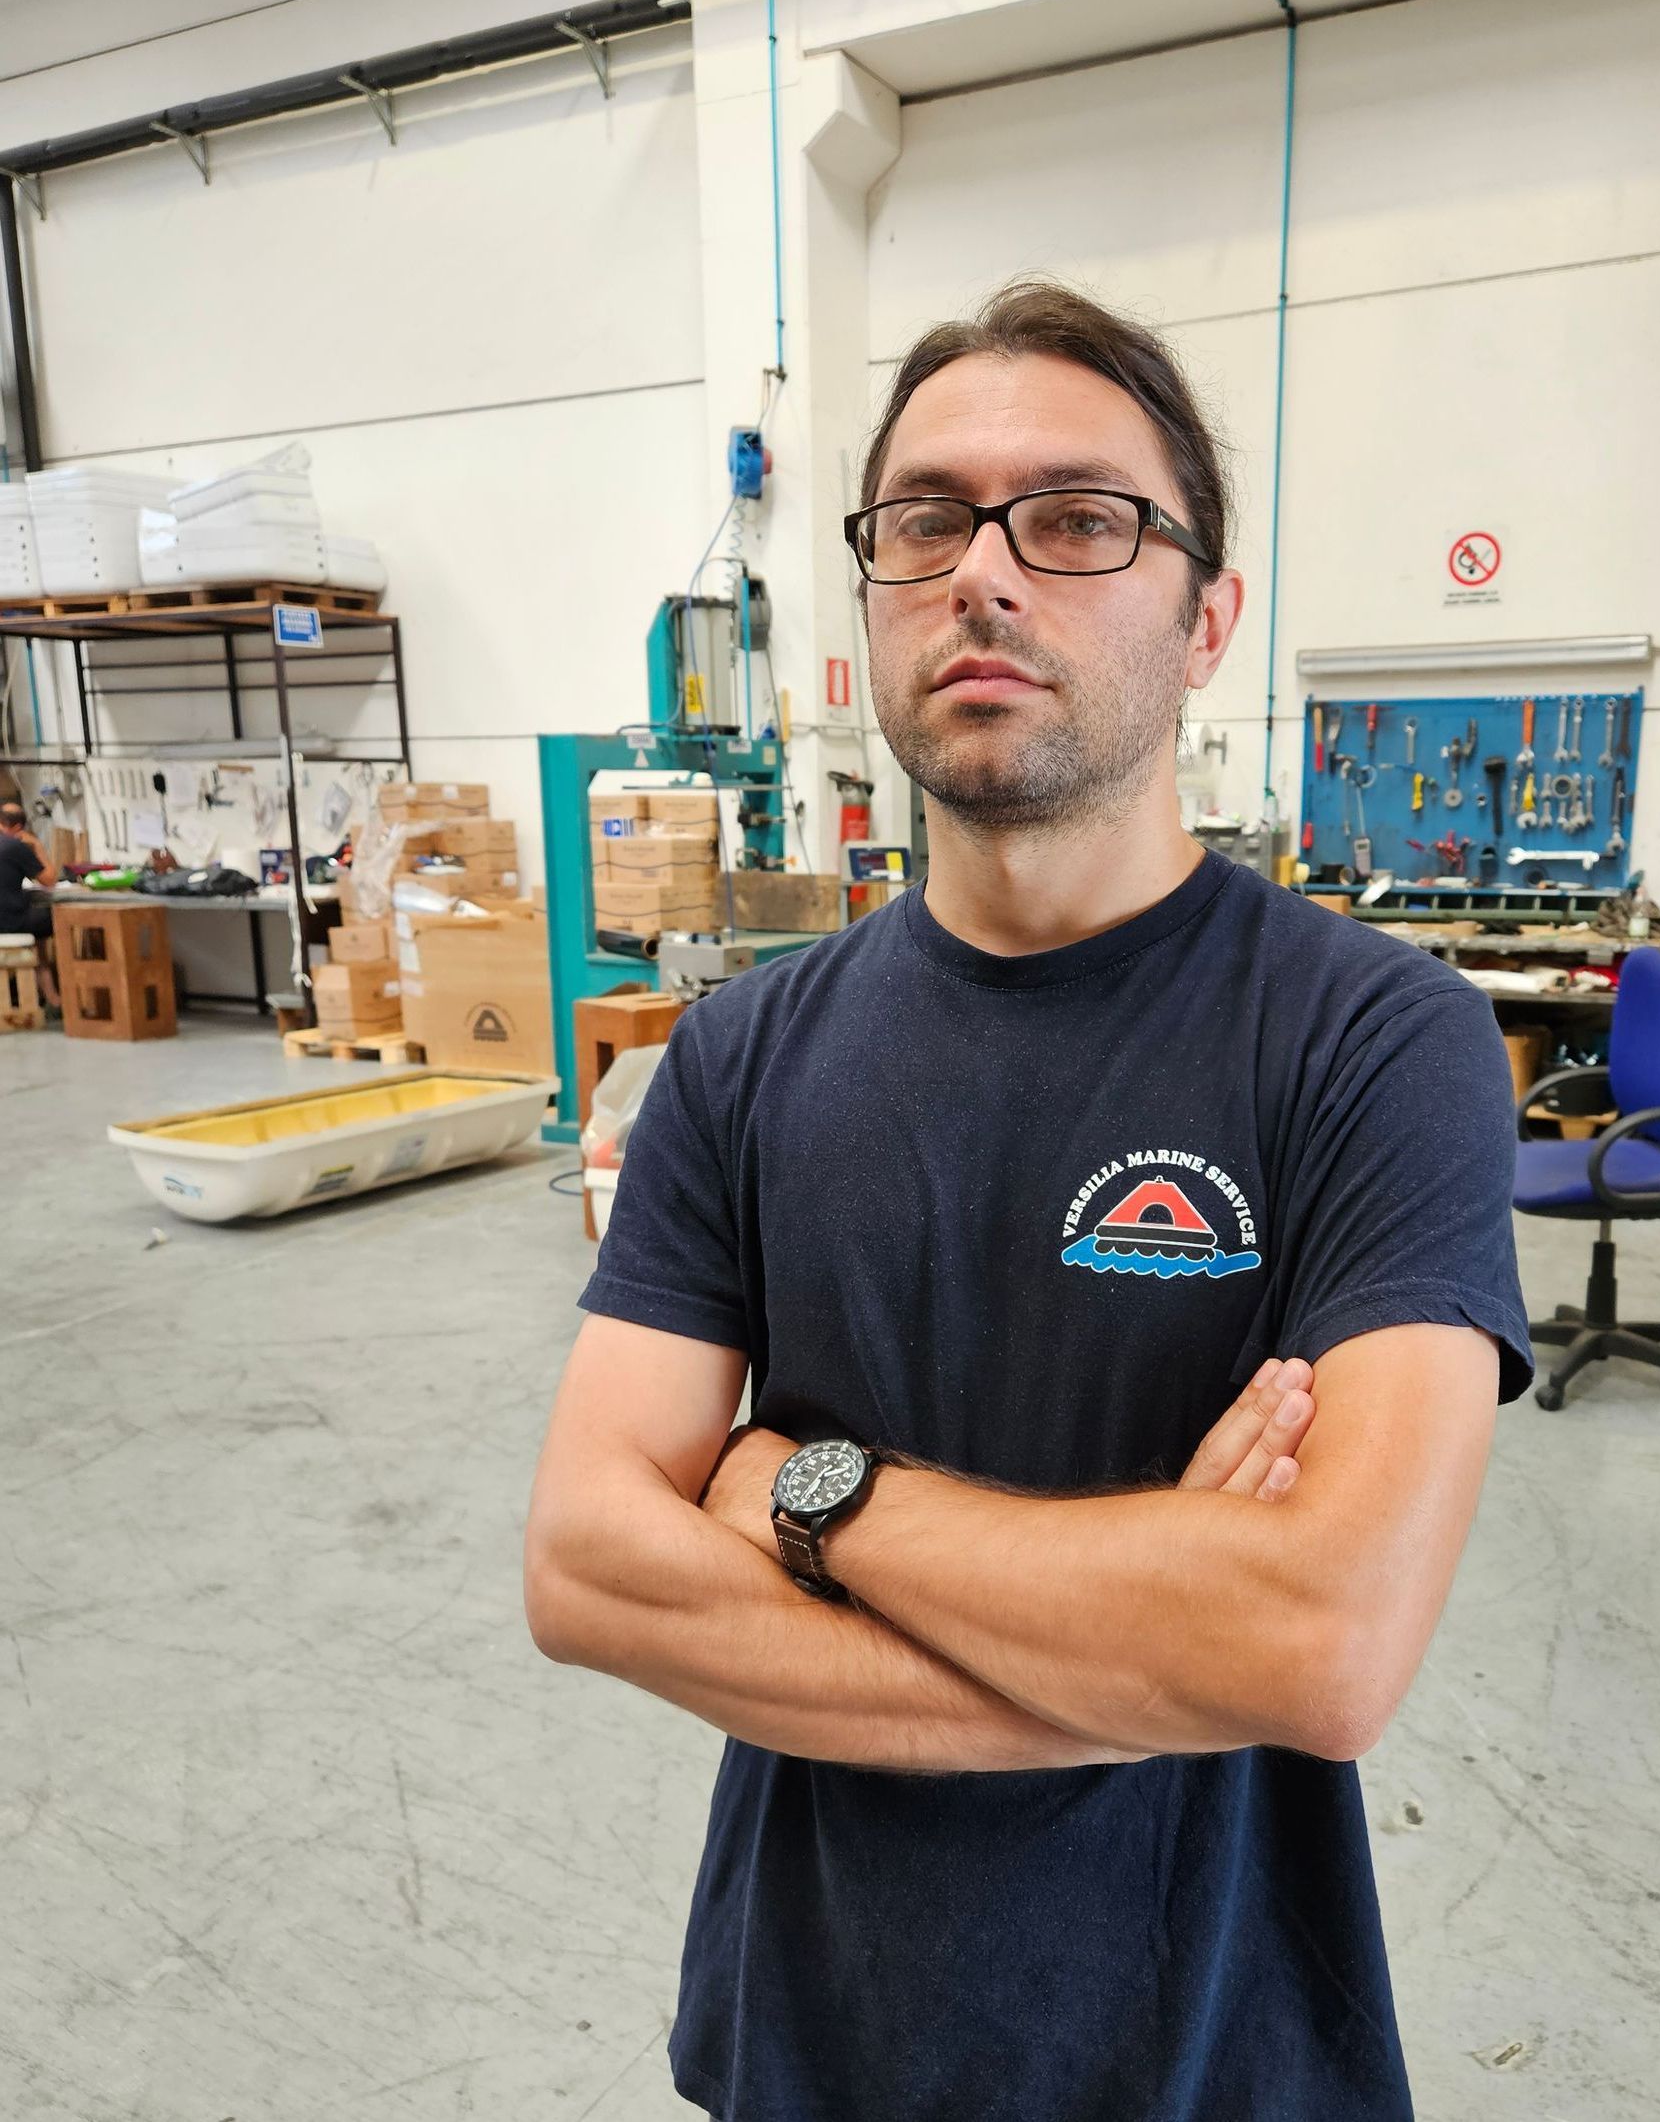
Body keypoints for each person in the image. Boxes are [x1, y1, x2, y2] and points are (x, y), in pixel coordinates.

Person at [525, 279, 1533, 2122]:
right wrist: (1144, 1664)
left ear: (1205, 618)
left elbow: (1318, 1640)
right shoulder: (740, 1054)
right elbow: (586, 1563)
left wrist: (808, 1491)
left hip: (1210, 2054)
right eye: (925, 520)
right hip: (807, 2039)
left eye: (1074, 520)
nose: (982, 572)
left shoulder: (1374, 1037)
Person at [0, 800, 59, 1010]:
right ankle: (51, 993)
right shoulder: (14, 845)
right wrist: (37, 845)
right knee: (49, 919)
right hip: (8, 921)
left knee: (35, 919)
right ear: (18, 827)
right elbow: (49, 880)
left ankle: (46, 992)